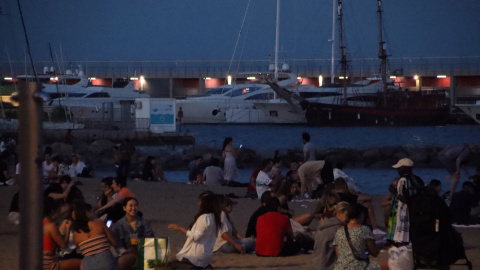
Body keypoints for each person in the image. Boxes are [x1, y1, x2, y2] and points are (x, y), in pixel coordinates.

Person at [169, 191, 222, 269]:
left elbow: (196, 237)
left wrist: (179, 228)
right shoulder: (215, 218)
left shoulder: (204, 218)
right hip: (207, 256)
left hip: (197, 256)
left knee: (167, 264)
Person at [333, 204, 386, 270]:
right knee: (387, 264)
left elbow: (338, 252)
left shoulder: (339, 230)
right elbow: (375, 253)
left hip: (340, 267)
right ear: (361, 214)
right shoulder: (364, 229)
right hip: (359, 266)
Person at [387, 158, 424, 246]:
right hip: (417, 207)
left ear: (404, 169)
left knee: (402, 228)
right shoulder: (417, 179)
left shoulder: (402, 180)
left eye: (399, 168)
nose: (398, 170)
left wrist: (394, 192)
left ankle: (402, 242)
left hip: (404, 209)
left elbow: (402, 197)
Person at [112, 197, 154, 270]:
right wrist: (126, 252)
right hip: (125, 253)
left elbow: (151, 238)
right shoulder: (119, 225)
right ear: (124, 208)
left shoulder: (144, 222)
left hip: (143, 251)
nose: (133, 208)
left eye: (135, 206)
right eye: (131, 206)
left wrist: (141, 246)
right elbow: (118, 244)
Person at [71, 203, 117, 270]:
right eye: (92, 211)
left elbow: (82, 250)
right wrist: (110, 231)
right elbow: (114, 243)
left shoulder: (75, 233)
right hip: (105, 262)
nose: (95, 213)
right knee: (128, 257)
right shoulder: (99, 223)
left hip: (88, 265)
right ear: (88, 213)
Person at [43, 197, 82, 270]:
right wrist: (68, 229)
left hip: (42, 260)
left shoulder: (42, 223)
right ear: (53, 211)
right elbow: (64, 245)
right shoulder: (51, 226)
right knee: (81, 262)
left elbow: (52, 242)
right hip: (50, 263)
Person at [310, 201, 351, 270]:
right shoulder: (339, 229)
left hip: (317, 264)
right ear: (339, 213)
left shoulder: (323, 226)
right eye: (347, 215)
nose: (349, 219)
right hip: (329, 266)